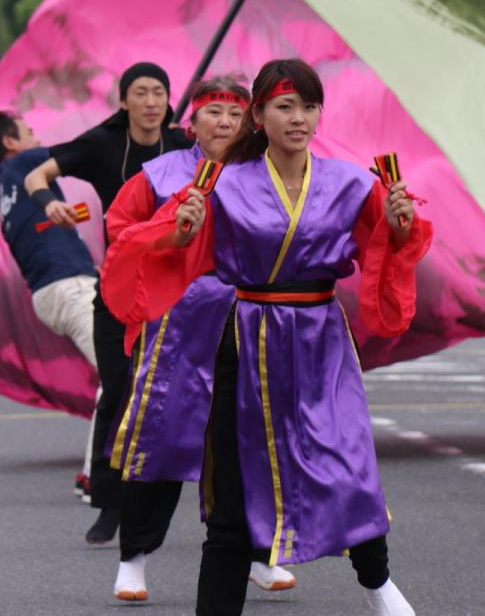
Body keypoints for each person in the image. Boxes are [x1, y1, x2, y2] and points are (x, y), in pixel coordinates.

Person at [102, 58, 431, 616]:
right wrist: (180, 231)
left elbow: (391, 247)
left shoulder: (352, 183)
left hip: (321, 342)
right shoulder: (222, 183)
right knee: (231, 495)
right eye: (284, 106)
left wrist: (401, 226)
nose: (298, 118)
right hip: (246, 341)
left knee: (349, 467)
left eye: (308, 106)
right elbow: (169, 245)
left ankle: (377, 582)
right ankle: (158, 567)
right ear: (261, 115)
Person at [103, 75, 296, 600]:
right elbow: (120, 230)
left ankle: (259, 554)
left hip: (251, 321)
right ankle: (134, 559)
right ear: (192, 121)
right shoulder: (159, 174)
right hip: (177, 325)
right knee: (159, 439)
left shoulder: (267, 175)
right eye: (215, 113)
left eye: (236, 116)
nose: (226, 124)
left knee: (252, 442)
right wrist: (170, 232)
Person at [24, 62, 193, 543]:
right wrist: (49, 204)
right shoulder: (102, 144)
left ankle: (197, 505)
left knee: (183, 399)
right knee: (117, 393)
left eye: (159, 92)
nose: (151, 101)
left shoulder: (182, 147)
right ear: (124, 102)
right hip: (118, 291)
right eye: (140, 92)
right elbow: (38, 175)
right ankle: (109, 504)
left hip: (176, 295)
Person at [0, 111, 99, 498]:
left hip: (55, 290)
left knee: (129, 370)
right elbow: (78, 153)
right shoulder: (25, 162)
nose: (38, 139)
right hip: (70, 287)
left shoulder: (5, 185)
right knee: (122, 376)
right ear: (11, 143)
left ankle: (118, 467)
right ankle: (96, 474)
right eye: (30, 133)